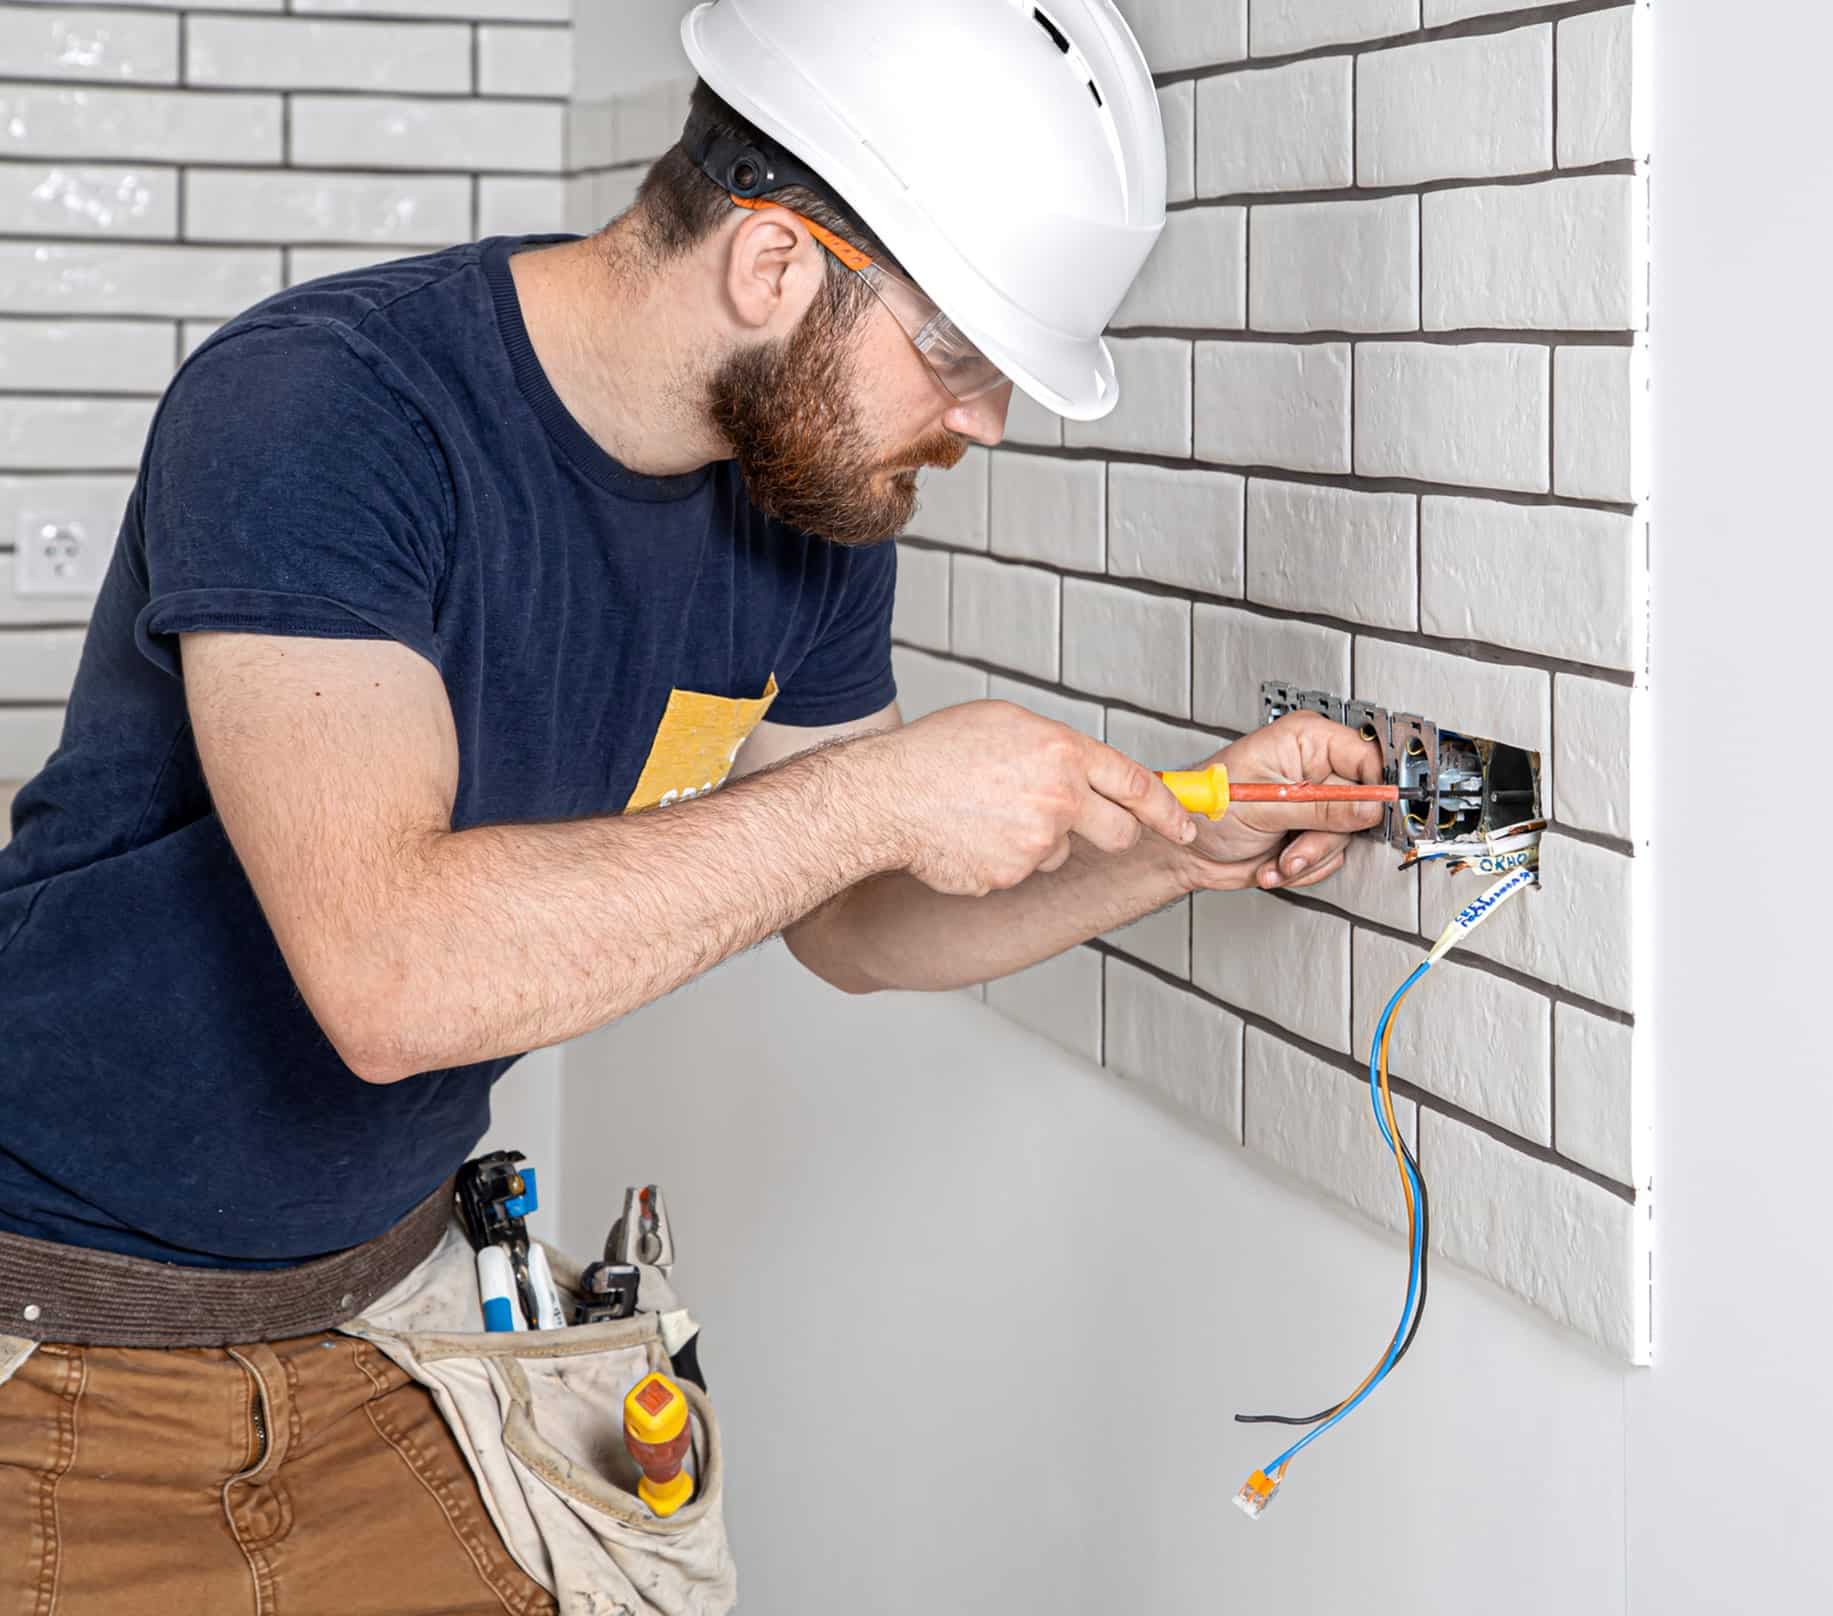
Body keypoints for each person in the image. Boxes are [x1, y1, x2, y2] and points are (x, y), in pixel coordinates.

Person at [0, 1, 1381, 1608]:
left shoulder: (810, 514)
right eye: (957, 358)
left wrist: (1168, 849)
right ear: (774, 267)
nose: (987, 422)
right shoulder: (324, 410)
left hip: (392, 1318)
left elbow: (855, 922)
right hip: (56, 1342)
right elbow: (390, 976)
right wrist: (876, 792)